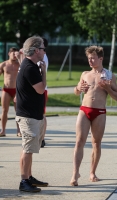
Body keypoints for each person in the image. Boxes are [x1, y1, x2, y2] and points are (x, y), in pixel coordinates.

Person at [70, 45, 117, 186]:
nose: (90, 61)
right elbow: (76, 91)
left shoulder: (109, 76)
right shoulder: (85, 74)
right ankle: (75, 173)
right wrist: (78, 89)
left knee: (96, 143)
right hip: (84, 110)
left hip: (99, 112)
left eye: (93, 58)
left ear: (100, 58)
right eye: (89, 58)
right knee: (79, 141)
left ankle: (92, 172)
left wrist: (108, 88)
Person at [15, 36, 48, 193]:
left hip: (31, 114)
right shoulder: (30, 67)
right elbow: (41, 89)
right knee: (28, 149)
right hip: (28, 116)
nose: (44, 51)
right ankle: (24, 181)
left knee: (28, 148)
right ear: (36, 51)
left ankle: (28, 176)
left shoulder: (29, 65)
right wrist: (44, 72)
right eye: (42, 48)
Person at [0, 47, 21, 137]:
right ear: (9, 54)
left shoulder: (20, 64)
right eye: (12, 53)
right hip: (6, 90)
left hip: (17, 90)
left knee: (19, 111)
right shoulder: (3, 64)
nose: (14, 55)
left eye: (15, 53)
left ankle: (19, 131)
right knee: (4, 110)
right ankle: (3, 130)